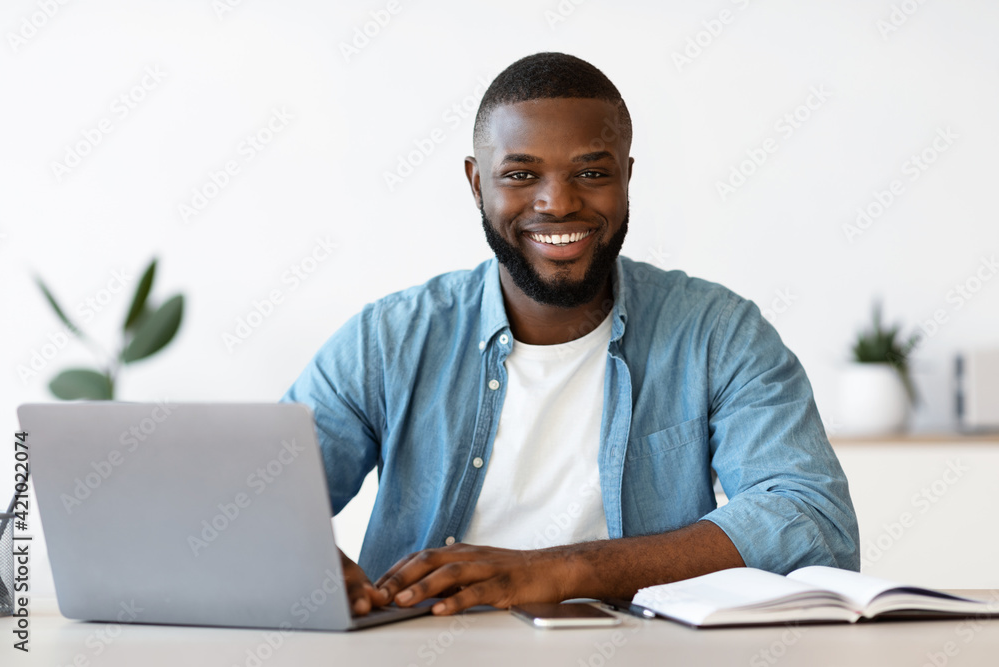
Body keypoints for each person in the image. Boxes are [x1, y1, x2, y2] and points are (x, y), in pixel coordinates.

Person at [280, 52, 859, 617]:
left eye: (591, 172)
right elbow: (251, 505)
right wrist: (304, 563)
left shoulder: (719, 333)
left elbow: (813, 522)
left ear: (626, 177)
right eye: (520, 174)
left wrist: (557, 570)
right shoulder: (387, 341)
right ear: (476, 183)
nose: (558, 203)